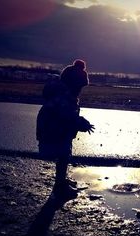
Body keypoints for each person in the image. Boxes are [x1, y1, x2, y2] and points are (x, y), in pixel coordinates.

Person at [37, 59, 94, 198]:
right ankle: (60, 187)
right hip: (53, 131)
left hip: (55, 129)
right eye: (80, 87)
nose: (80, 90)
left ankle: (61, 181)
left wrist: (77, 122)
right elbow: (67, 116)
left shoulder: (63, 93)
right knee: (63, 155)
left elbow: (68, 116)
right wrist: (81, 123)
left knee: (64, 154)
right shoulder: (63, 97)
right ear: (73, 85)